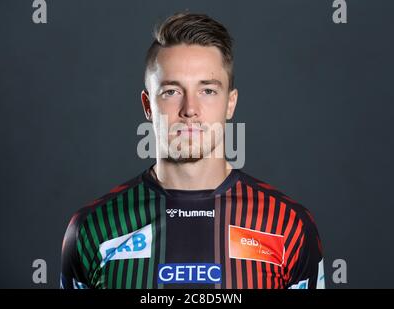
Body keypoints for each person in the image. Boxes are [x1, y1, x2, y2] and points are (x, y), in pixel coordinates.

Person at [60, 12, 325, 289]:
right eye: (171, 91)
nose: (190, 110)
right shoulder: (92, 229)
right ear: (148, 105)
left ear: (230, 103)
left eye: (207, 91)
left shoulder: (288, 226)